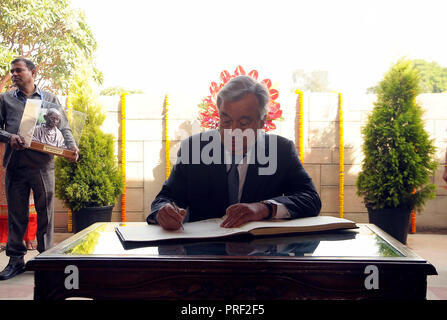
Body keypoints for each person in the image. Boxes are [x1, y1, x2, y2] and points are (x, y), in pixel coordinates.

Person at [148, 75, 321, 231]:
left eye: (244, 123)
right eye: (226, 121)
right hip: (203, 256)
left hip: (261, 256)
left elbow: (311, 199)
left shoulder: (281, 150)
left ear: (262, 122)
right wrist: (163, 212)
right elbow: (165, 198)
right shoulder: (194, 148)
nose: (233, 131)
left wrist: (264, 208)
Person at [0, 58, 78, 281]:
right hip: (15, 166)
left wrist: (72, 147)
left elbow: (63, 127)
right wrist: (9, 137)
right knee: (17, 215)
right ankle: (15, 261)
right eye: (12, 71)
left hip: (43, 166)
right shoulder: (5, 99)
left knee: (46, 214)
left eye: (19, 70)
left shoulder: (50, 99)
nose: (14, 74)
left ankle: (46, 260)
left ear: (32, 72)